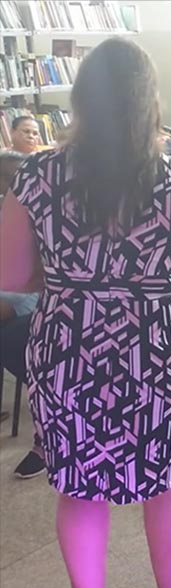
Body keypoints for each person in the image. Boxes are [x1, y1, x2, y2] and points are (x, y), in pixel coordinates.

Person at [0, 38, 171, 588]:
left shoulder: (37, 177)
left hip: (70, 347)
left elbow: (9, 271)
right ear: (149, 104)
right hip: (161, 351)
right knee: (168, 486)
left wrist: (67, 279)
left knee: (80, 490)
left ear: (81, 101)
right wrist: (156, 283)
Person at [0, 149, 45, 473]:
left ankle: (47, 433)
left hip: (35, 292)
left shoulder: (46, 205)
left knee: (21, 339)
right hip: (13, 285)